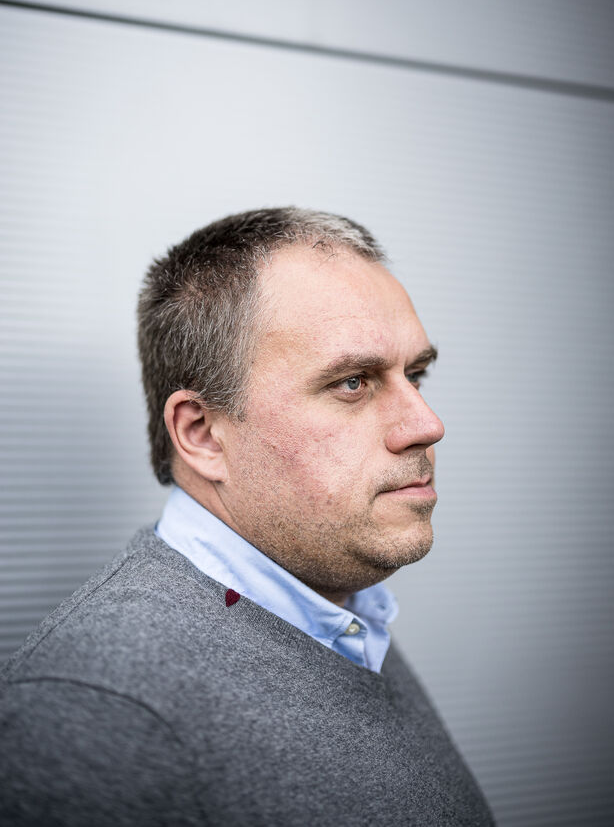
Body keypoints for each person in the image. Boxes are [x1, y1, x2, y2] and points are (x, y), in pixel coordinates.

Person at [0, 208, 495, 826]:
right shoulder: (99, 707)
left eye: (415, 374)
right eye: (352, 382)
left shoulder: (341, 614)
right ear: (202, 434)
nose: (427, 424)